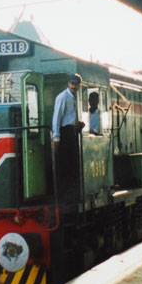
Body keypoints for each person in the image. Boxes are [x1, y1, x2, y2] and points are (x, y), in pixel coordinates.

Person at [52, 74, 85, 203]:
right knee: (66, 163)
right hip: (65, 133)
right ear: (68, 83)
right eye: (72, 83)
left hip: (72, 131)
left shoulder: (74, 98)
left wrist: (77, 126)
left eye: (76, 84)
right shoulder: (62, 97)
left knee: (73, 163)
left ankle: (71, 194)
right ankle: (64, 195)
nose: (74, 86)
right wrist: (56, 137)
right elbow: (57, 117)